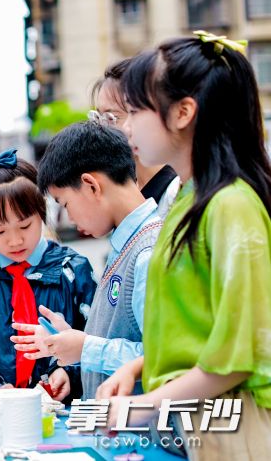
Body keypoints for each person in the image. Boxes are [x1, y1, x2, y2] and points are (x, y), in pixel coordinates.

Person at [96, 32, 271, 459]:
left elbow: (236, 357)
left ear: (182, 113)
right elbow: (194, 327)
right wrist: (138, 366)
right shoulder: (185, 198)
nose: (127, 126)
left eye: (135, 110)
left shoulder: (231, 205)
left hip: (239, 420)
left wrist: (139, 406)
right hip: (202, 415)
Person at [12, 121, 162, 400]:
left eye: (65, 204)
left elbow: (165, 358)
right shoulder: (127, 243)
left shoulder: (148, 253)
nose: (69, 217)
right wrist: (72, 338)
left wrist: (85, 348)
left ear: (91, 185)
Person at [0, 145, 96, 402]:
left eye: (25, 225)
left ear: (41, 212)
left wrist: (68, 372)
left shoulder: (74, 270)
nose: (14, 241)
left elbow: (97, 339)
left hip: (65, 413)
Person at [90, 59, 179, 218]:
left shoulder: (175, 194)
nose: (101, 129)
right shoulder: (128, 192)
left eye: (111, 117)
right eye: (98, 117)